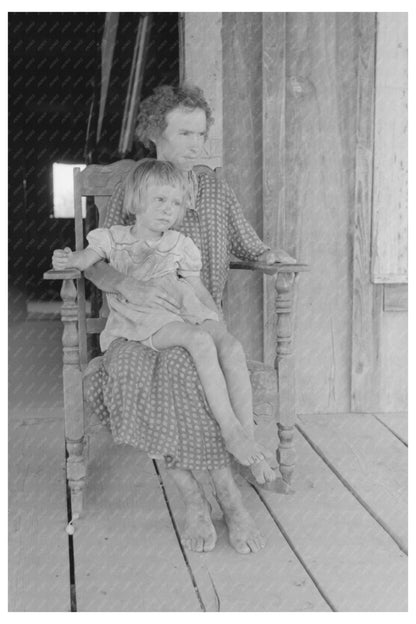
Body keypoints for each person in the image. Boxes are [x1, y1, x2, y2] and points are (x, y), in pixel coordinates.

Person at [82, 84, 296, 554]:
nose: (196, 144)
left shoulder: (214, 188)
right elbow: (99, 256)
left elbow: (246, 240)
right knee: (183, 373)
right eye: (185, 133)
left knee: (208, 359)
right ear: (155, 134)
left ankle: (213, 488)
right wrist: (124, 283)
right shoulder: (134, 186)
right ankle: (216, 500)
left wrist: (267, 254)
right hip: (140, 327)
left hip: (196, 319)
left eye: (201, 133)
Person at [52, 158, 271, 469]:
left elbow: (195, 288)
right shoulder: (113, 238)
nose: (169, 209)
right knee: (198, 340)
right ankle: (230, 429)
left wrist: (215, 319)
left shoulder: (179, 243)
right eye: (160, 199)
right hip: (143, 320)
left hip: (182, 310)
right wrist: (67, 259)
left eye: (176, 202)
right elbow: (85, 260)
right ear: (137, 201)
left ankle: (248, 441)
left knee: (231, 347)